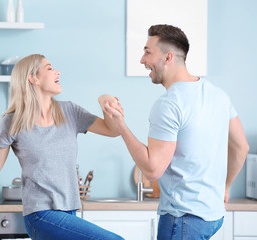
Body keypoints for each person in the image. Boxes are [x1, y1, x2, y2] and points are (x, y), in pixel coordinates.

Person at [103, 24, 249, 239]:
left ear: (168, 57)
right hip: (213, 216)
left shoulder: (170, 104)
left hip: (183, 218)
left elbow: (152, 170)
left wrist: (121, 127)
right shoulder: (217, 94)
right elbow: (241, 147)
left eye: (147, 52)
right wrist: (225, 187)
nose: (142, 60)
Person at [0, 54, 124, 240]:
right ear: (33, 78)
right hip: (41, 214)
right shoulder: (13, 121)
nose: (57, 72)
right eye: (49, 68)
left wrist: (104, 99)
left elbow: (113, 131)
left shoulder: (70, 111)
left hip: (69, 211)